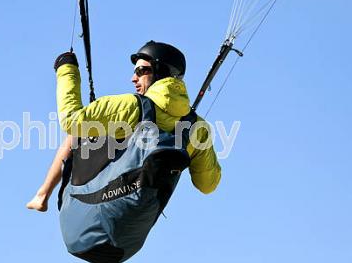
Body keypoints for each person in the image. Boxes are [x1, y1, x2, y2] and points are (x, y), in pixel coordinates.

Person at [27, 41, 221, 212]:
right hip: (132, 232)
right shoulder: (197, 127)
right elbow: (207, 186)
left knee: (76, 135)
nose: (133, 78)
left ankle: (42, 195)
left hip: (101, 202)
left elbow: (71, 121)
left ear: (161, 72)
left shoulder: (132, 106)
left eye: (141, 71)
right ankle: (42, 195)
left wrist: (65, 69)